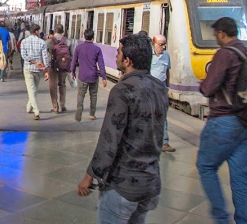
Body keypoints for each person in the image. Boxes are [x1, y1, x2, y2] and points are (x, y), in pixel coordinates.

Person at [77, 33, 167, 223]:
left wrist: (90, 175)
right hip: (150, 183)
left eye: (118, 52)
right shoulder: (159, 88)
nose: (116, 56)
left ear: (127, 60)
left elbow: (109, 139)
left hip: (123, 184)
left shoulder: (122, 90)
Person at [196, 17, 247, 224]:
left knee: (206, 166)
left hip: (224, 121)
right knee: (241, 176)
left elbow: (209, 88)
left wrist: (203, 83)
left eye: (216, 35)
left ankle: (221, 218)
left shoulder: (225, 54)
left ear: (222, 33)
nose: (216, 39)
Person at [71, 29, 107, 122]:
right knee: (93, 95)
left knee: (80, 94)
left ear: (84, 36)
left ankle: (79, 108)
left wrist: (73, 72)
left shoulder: (79, 48)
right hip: (93, 76)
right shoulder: (97, 49)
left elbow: (74, 61)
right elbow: (101, 64)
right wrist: (104, 77)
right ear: (93, 37)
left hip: (82, 76)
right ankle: (92, 114)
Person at [151, 34, 175, 153]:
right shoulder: (148, 56)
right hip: (150, 90)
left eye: (165, 44)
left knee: (163, 115)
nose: (163, 47)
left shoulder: (166, 56)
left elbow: (167, 71)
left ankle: (164, 142)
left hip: (162, 89)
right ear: (153, 44)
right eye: (161, 45)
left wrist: (168, 87)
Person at [20, 24, 50, 120]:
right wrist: (46, 70)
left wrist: (34, 62)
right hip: (38, 69)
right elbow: (45, 57)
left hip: (28, 68)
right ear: (36, 31)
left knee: (32, 90)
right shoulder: (42, 42)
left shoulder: (24, 42)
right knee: (34, 89)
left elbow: (23, 56)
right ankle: (36, 111)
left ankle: (29, 107)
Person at [46, 24, 71, 113]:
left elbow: (45, 54)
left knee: (53, 86)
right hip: (63, 66)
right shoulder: (67, 41)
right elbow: (70, 55)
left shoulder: (49, 41)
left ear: (55, 31)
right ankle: (63, 105)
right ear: (63, 31)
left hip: (52, 66)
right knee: (62, 85)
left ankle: (55, 107)